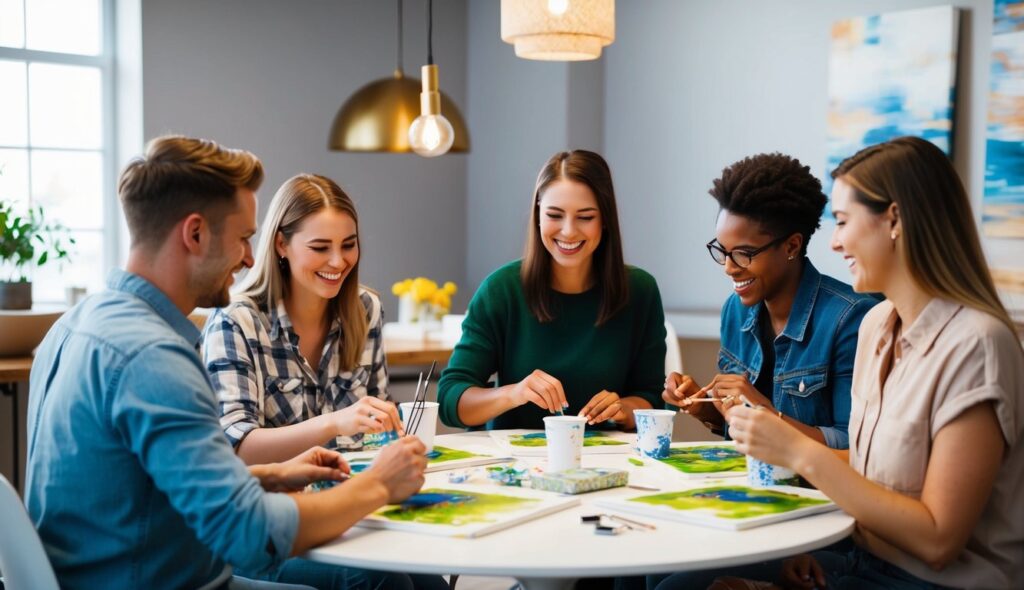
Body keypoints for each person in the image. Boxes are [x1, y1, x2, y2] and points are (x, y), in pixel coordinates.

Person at [25, 136, 427, 590]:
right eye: (243, 238)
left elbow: (146, 486)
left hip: (121, 569)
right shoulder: (154, 359)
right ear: (194, 234)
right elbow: (248, 535)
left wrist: (272, 474)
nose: (251, 258)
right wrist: (377, 485)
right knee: (379, 582)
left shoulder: (74, 325)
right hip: (163, 581)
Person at [662, 136, 1024, 590]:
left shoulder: (977, 346)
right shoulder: (878, 326)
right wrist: (801, 546)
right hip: (858, 556)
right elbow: (867, 468)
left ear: (894, 220)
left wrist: (795, 448)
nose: (833, 243)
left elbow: (937, 541)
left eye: (842, 221)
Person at [437, 150, 666, 432]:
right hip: (512, 465)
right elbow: (450, 400)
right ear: (537, 216)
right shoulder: (501, 290)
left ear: (605, 220)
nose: (568, 231)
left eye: (585, 217)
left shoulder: (640, 291)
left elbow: (654, 399)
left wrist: (624, 409)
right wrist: (513, 393)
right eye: (555, 215)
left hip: (606, 463)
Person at [662, 153, 877, 449]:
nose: (729, 267)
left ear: (791, 246)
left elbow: (852, 446)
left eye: (744, 253)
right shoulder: (735, 311)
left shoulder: (850, 319)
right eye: (722, 251)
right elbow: (740, 426)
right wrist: (703, 406)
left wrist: (763, 410)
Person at [203, 173, 401, 464]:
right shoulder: (236, 321)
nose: (338, 261)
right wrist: (333, 423)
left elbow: (378, 424)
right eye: (320, 247)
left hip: (355, 490)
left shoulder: (365, 309)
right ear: (281, 244)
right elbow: (236, 446)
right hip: (277, 501)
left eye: (348, 245)